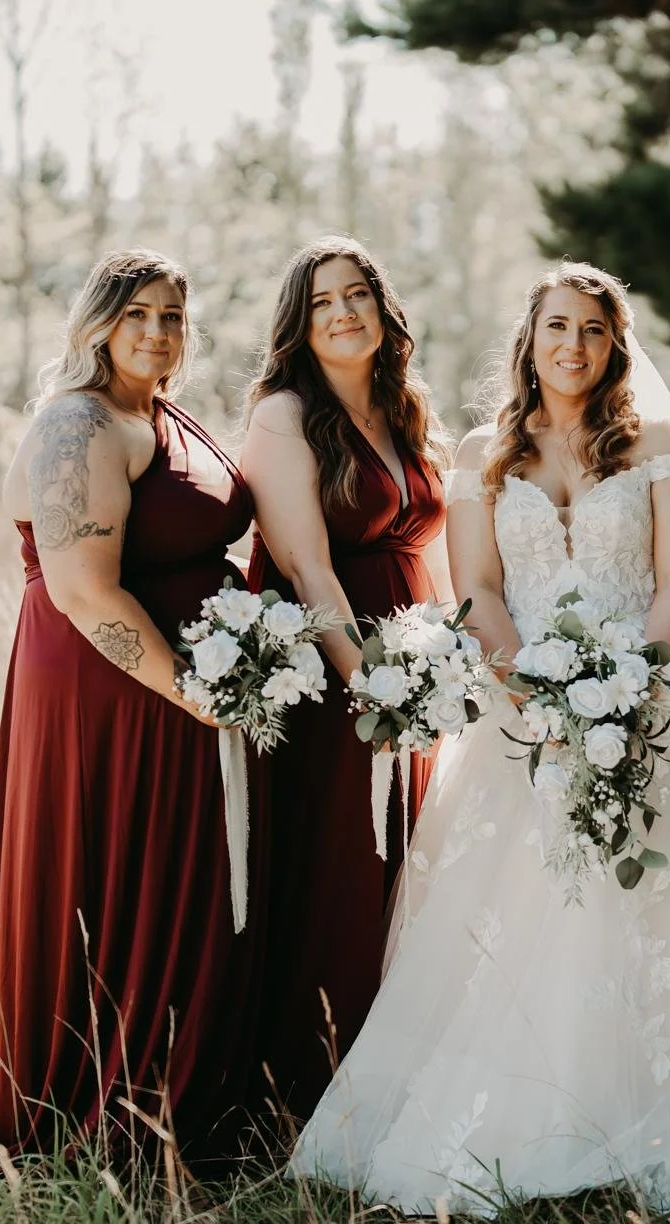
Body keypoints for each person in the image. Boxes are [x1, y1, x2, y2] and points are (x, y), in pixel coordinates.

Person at [287, 263, 670, 1223]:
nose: (573, 347)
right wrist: (541, 697)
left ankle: (648, 1116)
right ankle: (527, 1120)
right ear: (530, 337)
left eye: (594, 330)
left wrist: (623, 696)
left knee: (653, 916)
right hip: (521, 720)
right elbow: (480, 591)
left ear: (616, 343)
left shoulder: (659, 446)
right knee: (511, 919)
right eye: (558, 327)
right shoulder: (483, 453)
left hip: (645, 707)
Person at [0, 249, 265, 1170]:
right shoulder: (79, 424)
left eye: (174, 315)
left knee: (170, 879)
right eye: (138, 313)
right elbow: (88, 594)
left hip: (177, 686)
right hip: (113, 692)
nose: (157, 331)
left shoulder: (157, 412)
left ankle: (182, 1075)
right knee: (111, 871)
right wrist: (191, 688)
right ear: (96, 321)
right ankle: (92, 1092)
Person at [238, 236, 448, 1124]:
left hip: (408, 650)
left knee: (404, 854)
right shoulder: (284, 414)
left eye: (358, 294)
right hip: (331, 672)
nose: (344, 313)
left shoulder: (405, 407)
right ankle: (310, 1080)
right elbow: (309, 569)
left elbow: (424, 539)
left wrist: (438, 658)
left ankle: (393, 1064)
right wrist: (372, 686)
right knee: (339, 863)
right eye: (323, 301)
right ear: (300, 320)